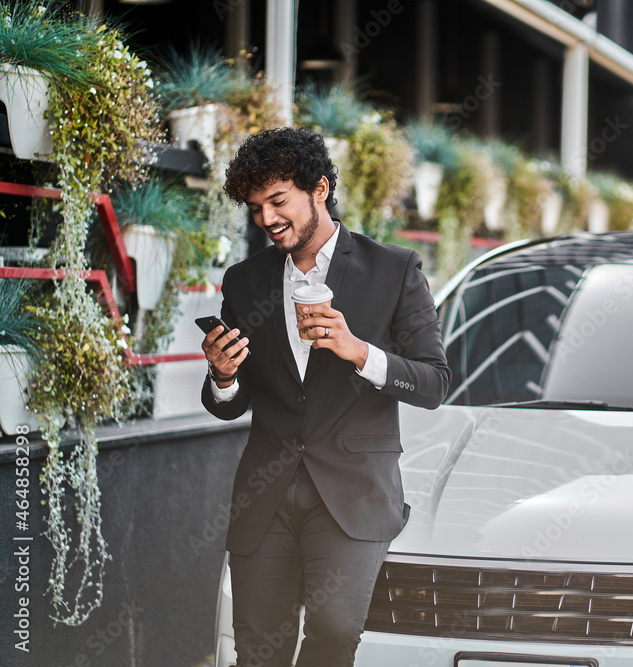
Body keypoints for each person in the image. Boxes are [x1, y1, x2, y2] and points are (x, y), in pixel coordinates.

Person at [200, 127, 450, 666]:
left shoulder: (394, 269)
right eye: (255, 206)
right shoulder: (243, 281)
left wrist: (358, 350)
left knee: (336, 632)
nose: (266, 218)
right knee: (258, 649)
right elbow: (233, 400)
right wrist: (222, 376)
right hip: (266, 495)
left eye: (277, 200)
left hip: (352, 494)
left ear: (319, 187)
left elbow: (434, 382)